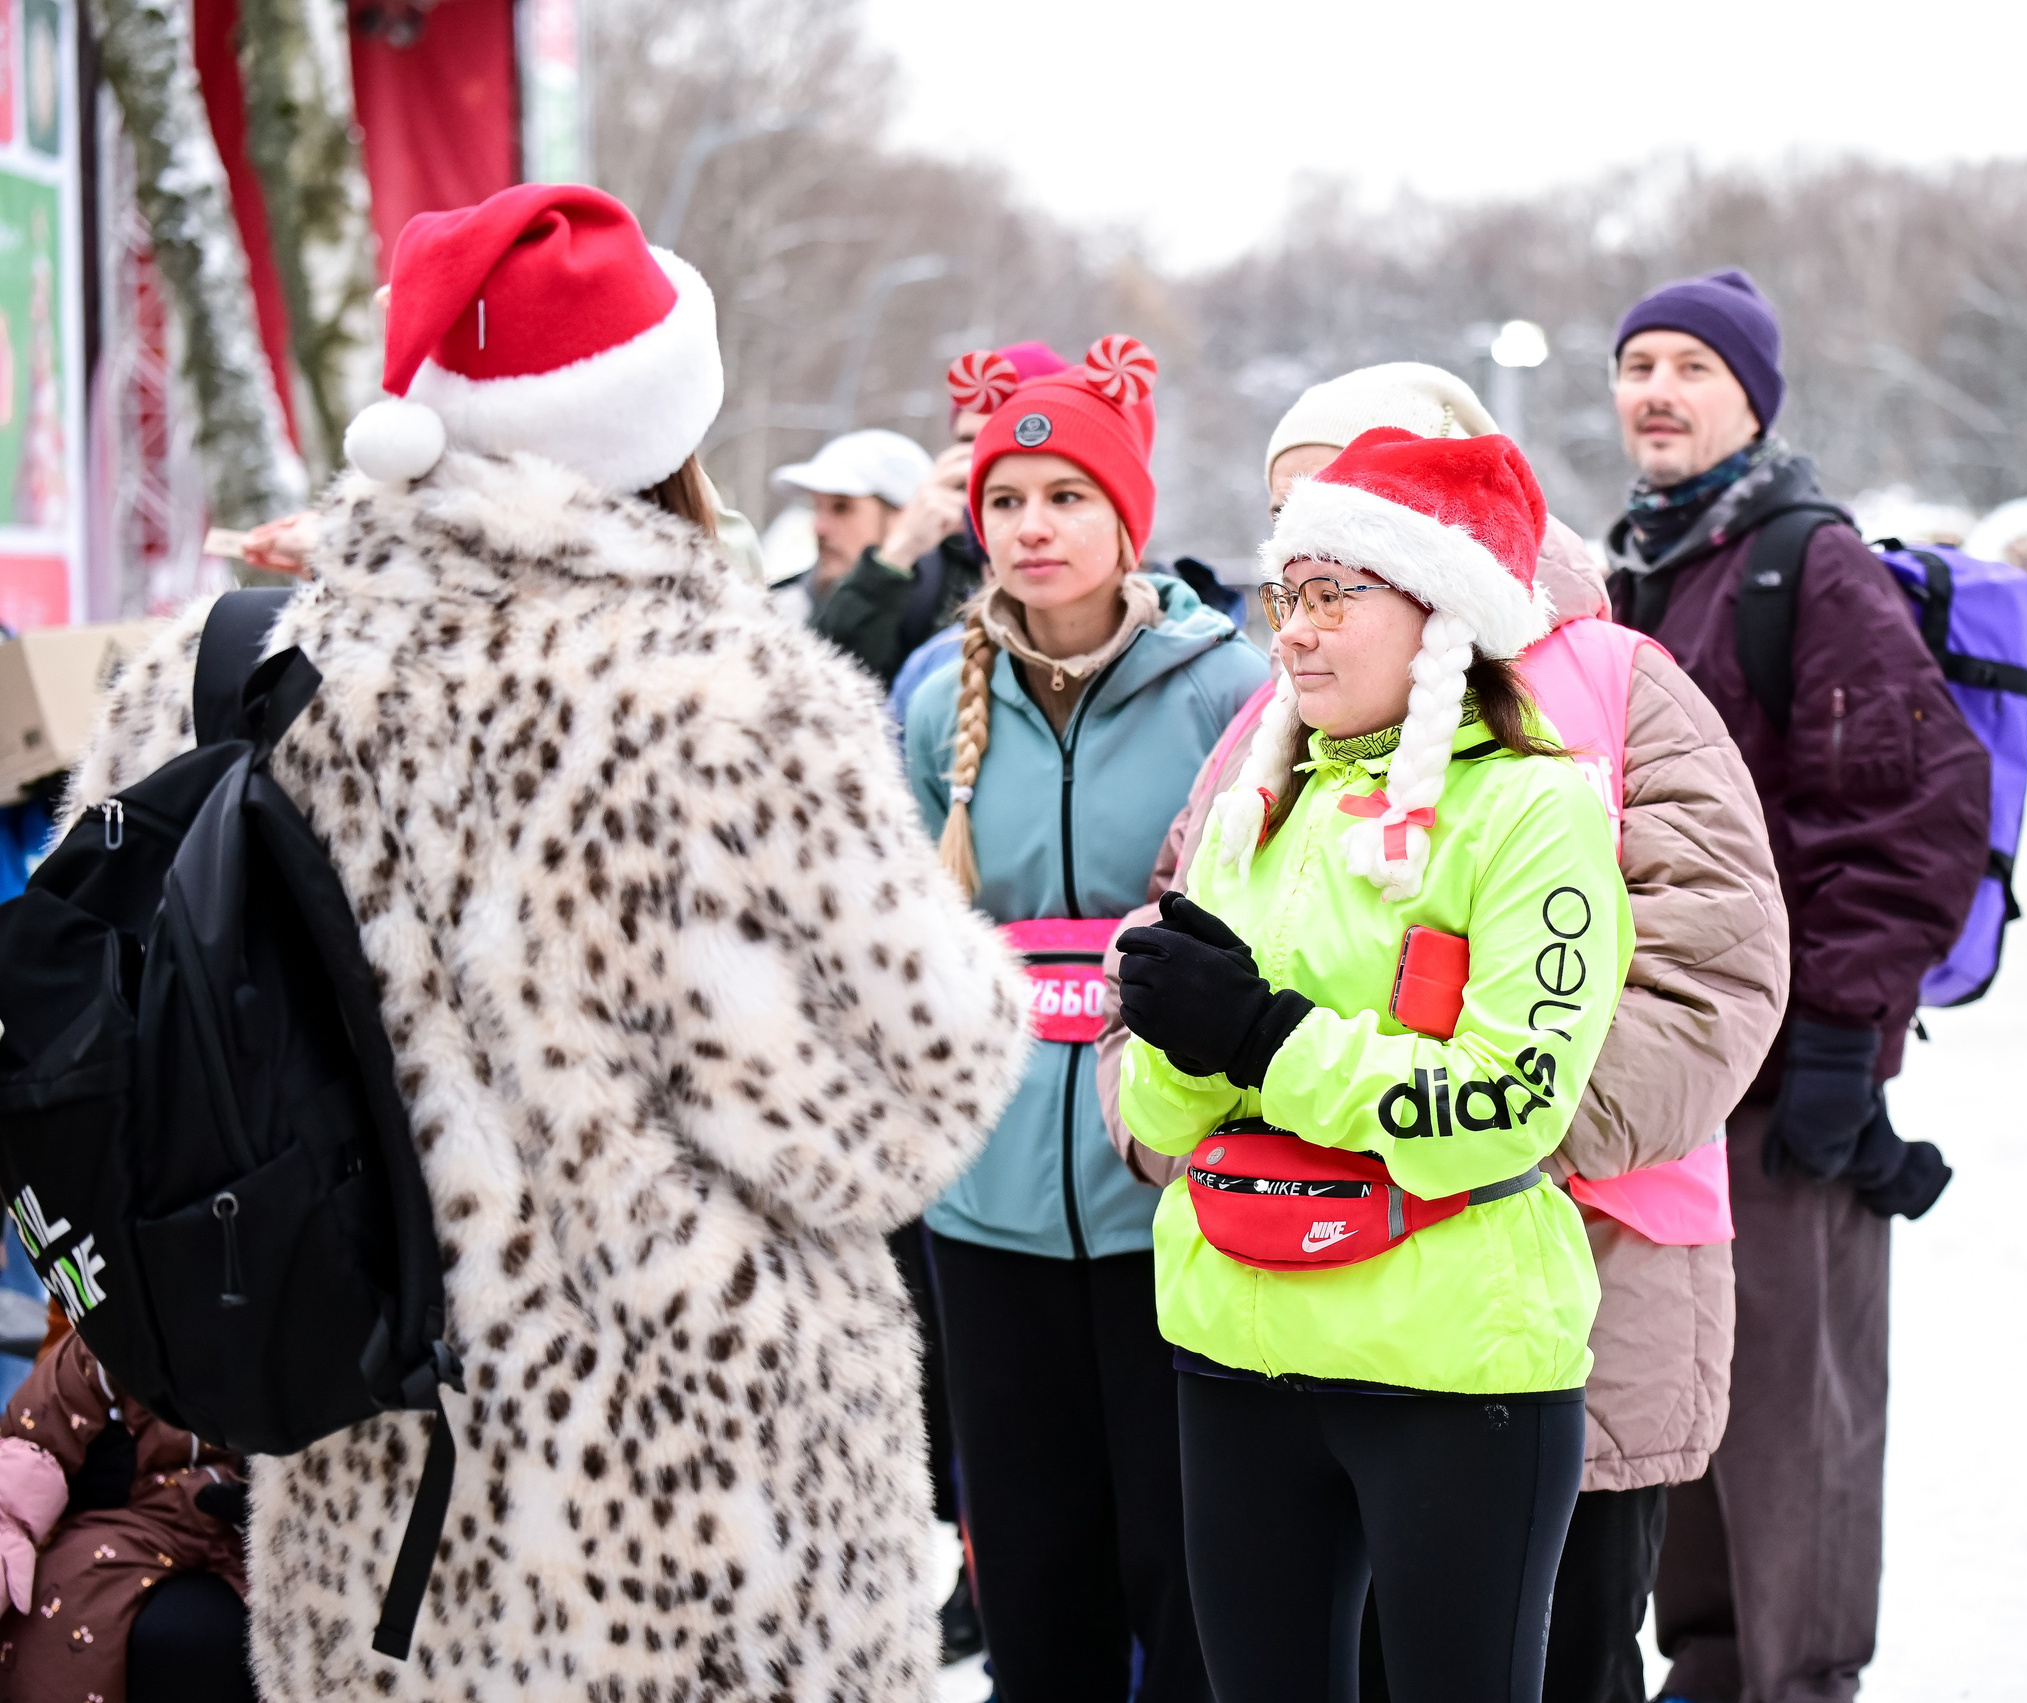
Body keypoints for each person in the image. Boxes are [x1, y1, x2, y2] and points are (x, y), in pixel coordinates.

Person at [64, 183, 1029, 1701]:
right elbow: (893, 1104)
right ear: (661, 433)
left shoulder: (220, 678)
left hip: (374, 1486)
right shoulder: (724, 704)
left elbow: (102, 1037)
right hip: (705, 1506)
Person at [1100, 361, 1791, 1703]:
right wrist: (1177, 1045)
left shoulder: (1569, 744)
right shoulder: (1269, 771)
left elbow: (1681, 985)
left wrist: (1305, 1068)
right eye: (1284, 578)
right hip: (1250, 1312)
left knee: (1568, 1651)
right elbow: (1174, 1082)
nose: (1293, 626)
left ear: (1437, 570)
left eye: (1333, 575)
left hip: (1508, 1283)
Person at [1601, 270, 1990, 1703]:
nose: (1655, 388)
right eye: (1637, 361)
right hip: (1671, 1088)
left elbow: (1915, 808)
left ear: (1752, 397)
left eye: (1691, 365)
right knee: (1686, 1412)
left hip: (1787, 1083)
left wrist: (1841, 1031)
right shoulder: (1647, 562)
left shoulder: (1803, 563)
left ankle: (1799, 1680)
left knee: (1792, 1430)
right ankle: (1710, 1672)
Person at [904, 335, 1261, 1703]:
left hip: (1162, 1199)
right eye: (1008, 499)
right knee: (1030, 1566)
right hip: (985, 1207)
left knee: (1181, 1559)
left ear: (1128, 517)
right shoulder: (937, 697)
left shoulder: (1226, 689)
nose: (1034, 527)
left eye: (1067, 497)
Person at [0, 1326, 252, 1703]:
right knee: (54, 1609)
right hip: (142, 1514)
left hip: (285, 1538)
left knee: (207, 1641)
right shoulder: (145, 1304)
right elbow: (37, 1432)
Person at [865, 340, 1075, 719]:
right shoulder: (925, 571)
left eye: (1001, 439)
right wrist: (896, 556)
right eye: (967, 444)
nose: (981, 464)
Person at [768, 427, 934, 640]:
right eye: (816, 507)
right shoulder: (777, 614)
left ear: (904, 518)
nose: (819, 528)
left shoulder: (945, 625)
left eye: (841, 508)